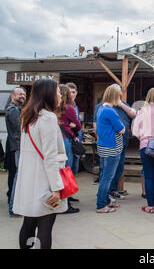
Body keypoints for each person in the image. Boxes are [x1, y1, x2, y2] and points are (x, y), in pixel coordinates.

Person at [13, 79, 68, 249]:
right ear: (48, 93)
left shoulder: (28, 115)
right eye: (57, 91)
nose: (60, 95)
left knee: (28, 223)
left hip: (30, 180)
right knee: (45, 228)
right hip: (45, 182)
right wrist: (56, 188)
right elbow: (50, 157)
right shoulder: (48, 117)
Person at [95, 85, 125, 213]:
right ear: (115, 96)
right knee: (107, 178)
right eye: (119, 96)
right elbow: (122, 129)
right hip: (112, 148)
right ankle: (101, 205)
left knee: (104, 177)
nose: (120, 99)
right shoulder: (110, 111)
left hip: (103, 146)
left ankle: (105, 201)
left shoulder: (101, 108)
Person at [108, 84, 136, 200]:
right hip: (110, 143)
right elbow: (96, 125)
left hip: (123, 142)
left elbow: (133, 114)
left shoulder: (123, 105)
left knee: (119, 168)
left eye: (120, 92)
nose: (119, 94)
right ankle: (106, 193)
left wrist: (121, 105)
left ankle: (113, 190)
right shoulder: (104, 105)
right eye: (117, 92)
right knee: (109, 169)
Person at [57, 84, 81, 214]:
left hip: (57, 139)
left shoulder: (54, 108)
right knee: (67, 170)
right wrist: (72, 126)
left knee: (61, 170)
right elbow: (78, 125)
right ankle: (65, 203)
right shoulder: (69, 108)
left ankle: (64, 198)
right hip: (66, 140)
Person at [5, 87, 26, 217]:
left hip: (19, 146)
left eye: (24, 94)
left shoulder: (19, 109)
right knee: (18, 177)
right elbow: (19, 130)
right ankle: (13, 208)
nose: (22, 96)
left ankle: (16, 206)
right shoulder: (12, 110)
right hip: (18, 147)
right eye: (20, 94)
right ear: (13, 95)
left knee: (19, 176)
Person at [66, 82, 82, 177]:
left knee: (75, 166)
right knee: (68, 165)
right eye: (69, 92)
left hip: (76, 139)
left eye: (73, 92)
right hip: (67, 138)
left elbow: (78, 124)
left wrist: (79, 137)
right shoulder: (63, 106)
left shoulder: (75, 106)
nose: (72, 94)